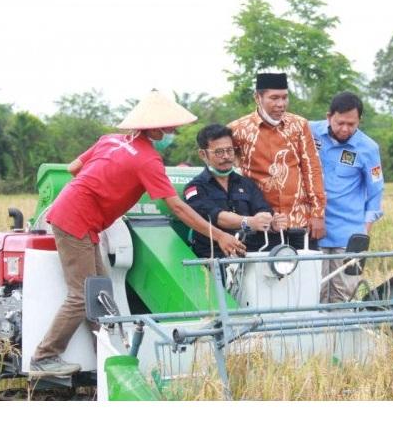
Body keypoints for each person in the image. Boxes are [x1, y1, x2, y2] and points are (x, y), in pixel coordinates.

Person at [29, 90, 245, 378]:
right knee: (83, 295)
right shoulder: (147, 160)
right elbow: (178, 208)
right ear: (154, 128)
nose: (173, 132)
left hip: (78, 216)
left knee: (101, 292)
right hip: (75, 221)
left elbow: (73, 168)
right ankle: (44, 357)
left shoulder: (111, 140)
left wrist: (103, 189)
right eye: (169, 127)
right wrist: (219, 236)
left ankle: (111, 356)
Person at [228, 73, 326, 250]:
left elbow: (312, 169)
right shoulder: (238, 129)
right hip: (262, 224)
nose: (280, 104)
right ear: (258, 97)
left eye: (284, 98)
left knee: (305, 276)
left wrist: (318, 214)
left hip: (299, 222)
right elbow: (226, 168)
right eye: (274, 98)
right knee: (264, 277)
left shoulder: (299, 125)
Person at [310, 91, 384, 303]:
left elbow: (376, 190)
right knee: (314, 292)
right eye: (339, 123)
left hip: (349, 235)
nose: (345, 129)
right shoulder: (309, 132)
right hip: (314, 230)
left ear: (359, 120)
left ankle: (340, 336)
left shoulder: (369, 148)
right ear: (328, 117)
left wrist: (364, 232)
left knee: (345, 295)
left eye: (351, 124)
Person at [183, 123, 288, 259]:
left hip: (250, 256)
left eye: (230, 150)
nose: (226, 156)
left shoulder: (246, 183)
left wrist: (272, 222)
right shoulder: (195, 188)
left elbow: (263, 211)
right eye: (219, 152)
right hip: (213, 258)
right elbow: (216, 217)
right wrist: (249, 222)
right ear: (203, 154)